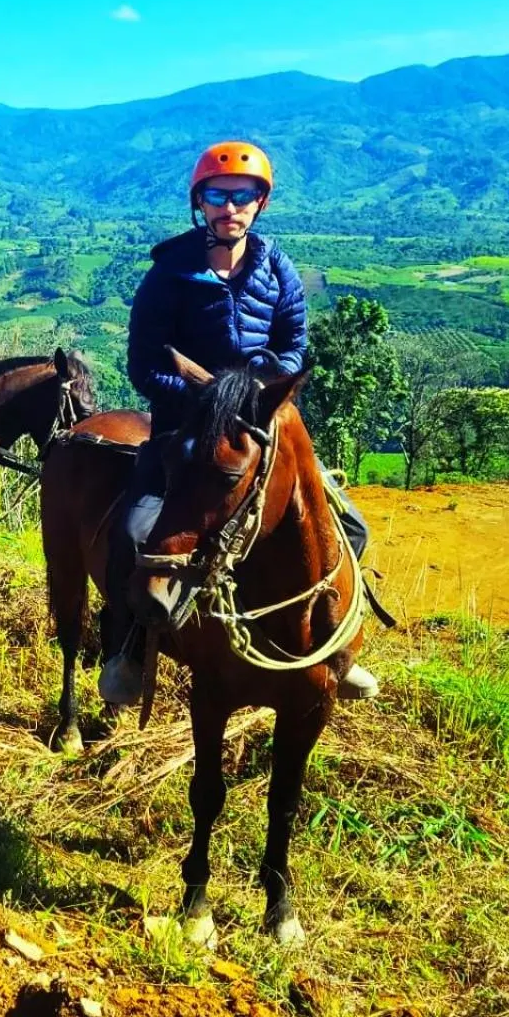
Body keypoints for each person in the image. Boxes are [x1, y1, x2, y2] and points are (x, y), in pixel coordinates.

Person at [99, 141, 379, 706]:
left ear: (260, 203)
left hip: (264, 427)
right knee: (132, 534)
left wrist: (256, 394)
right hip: (185, 432)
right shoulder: (168, 274)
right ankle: (129, 648)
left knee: (348, 526)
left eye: (243, 196)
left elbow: (294, 349)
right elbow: (145, 365)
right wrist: (205, 402)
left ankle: (338, 647)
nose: (230, 207)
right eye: (218, 196)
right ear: (200, 203)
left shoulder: (277, 268)